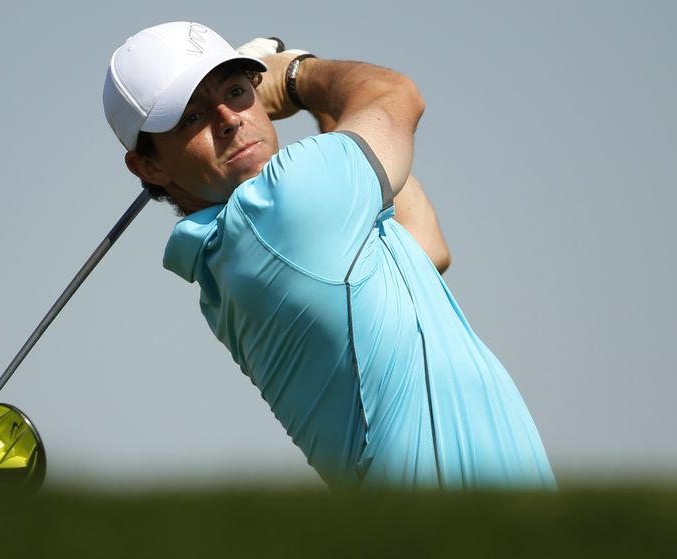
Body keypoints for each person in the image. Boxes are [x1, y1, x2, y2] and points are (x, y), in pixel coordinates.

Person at [102, 21, 556, 489]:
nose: (230, 118)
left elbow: (425, 245)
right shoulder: (278, 212)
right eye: (192, 117)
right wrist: (295, 76)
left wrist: (318, 114)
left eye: (237, 91)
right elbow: (396, 95)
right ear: (149, 166)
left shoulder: (238, 251)